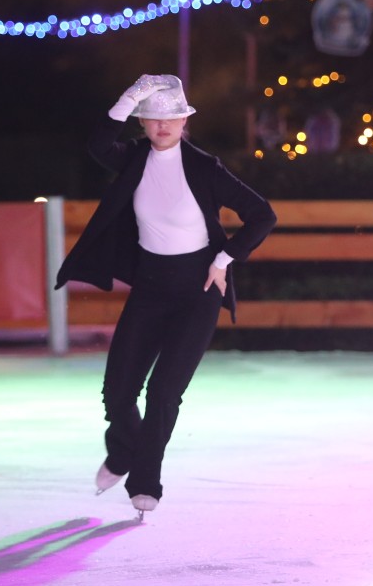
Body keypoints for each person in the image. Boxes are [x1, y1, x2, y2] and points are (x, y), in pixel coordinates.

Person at [56, 74, 277, 520]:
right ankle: (122, 453)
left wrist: (224, 260)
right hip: (151, 287)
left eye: (170, 117)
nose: (161, 126)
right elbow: (99, 146)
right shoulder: (133, 159)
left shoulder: (204, 167)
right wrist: (126, 99)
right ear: (142, 122)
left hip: (198, 290)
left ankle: (145, 480)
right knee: (117, 392)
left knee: (163, 393)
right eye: (152, 118)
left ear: (183, 120)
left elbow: (262, 215)